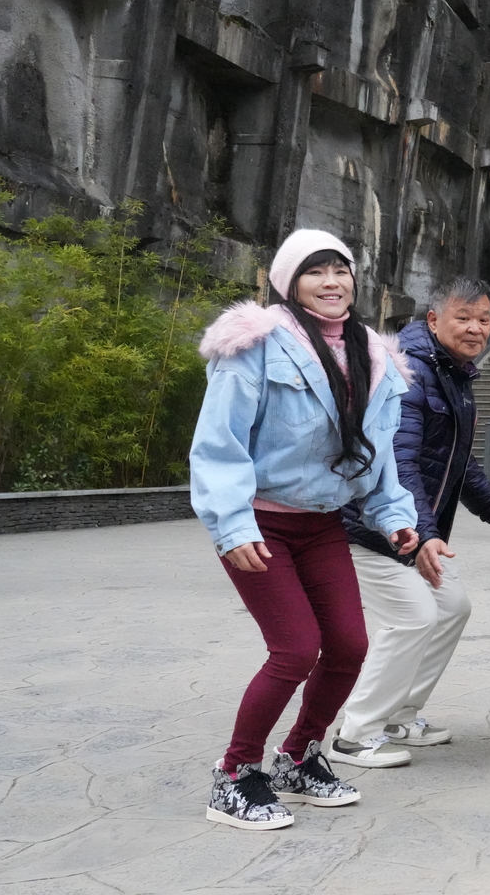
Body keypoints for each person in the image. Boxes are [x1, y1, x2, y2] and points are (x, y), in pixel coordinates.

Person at [189, 230, 419, 830]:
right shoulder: (256, 346)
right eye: (315, 271)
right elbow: (218, 444)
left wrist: (395, 517)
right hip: (260, 524)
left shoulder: (375, 357)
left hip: (322, 524)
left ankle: (297, 758)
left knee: (349, 647)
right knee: (294, 649)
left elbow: (379, 456)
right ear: (289, 283)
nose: (331, 282)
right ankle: (234, 776)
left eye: (340, 270)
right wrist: (231, 526)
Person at [330, 278, 490, 769]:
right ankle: (355, 735)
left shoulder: (453, 374)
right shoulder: (409, 371)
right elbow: (401, 462)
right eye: (463, 317)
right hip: (369, 527)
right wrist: (427, 534)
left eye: (484, 319)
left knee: (452, 607)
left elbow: (458, 464)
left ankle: (398, 715)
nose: (476, 328)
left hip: (412, 533)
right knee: (412, 617)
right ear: (433, 320)